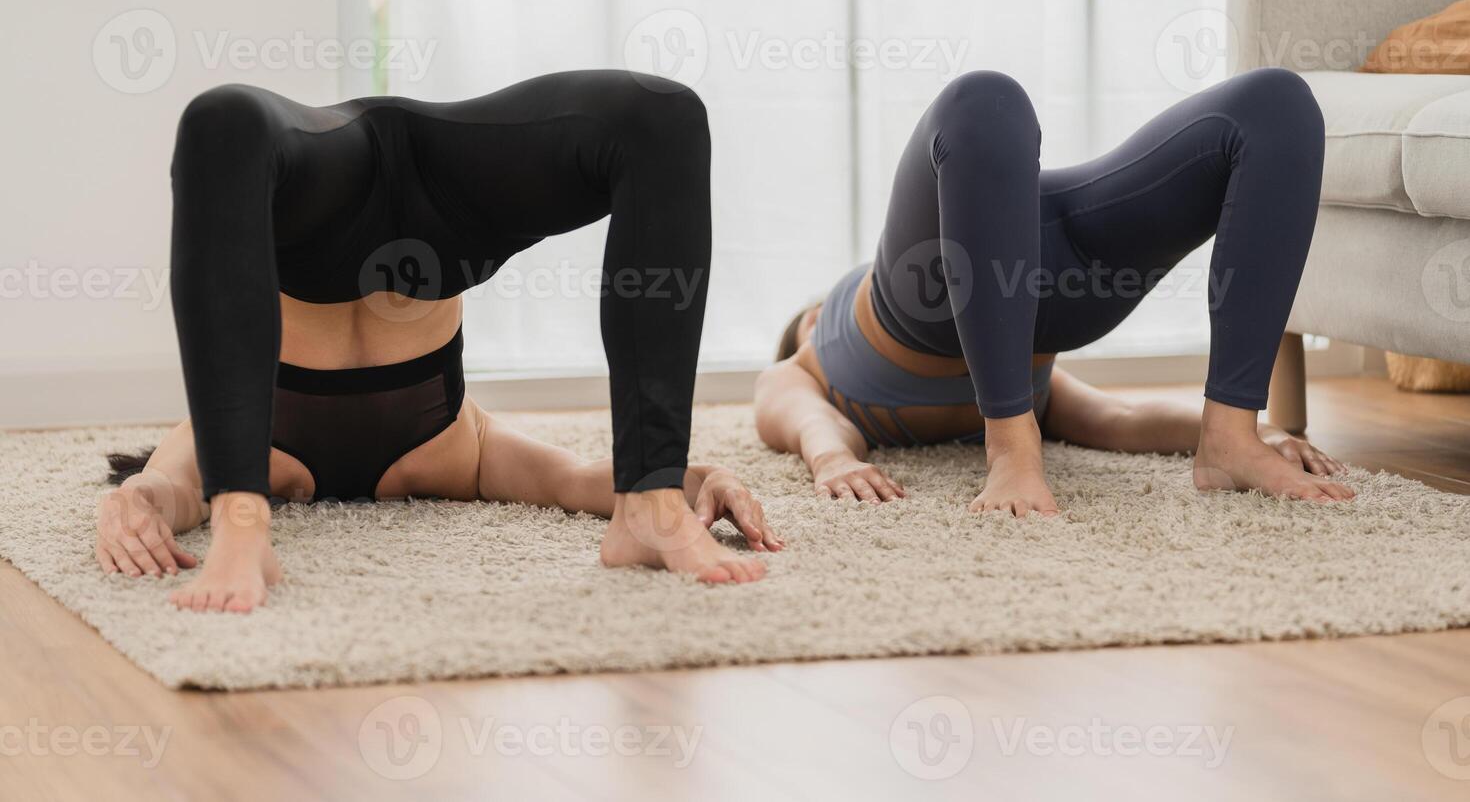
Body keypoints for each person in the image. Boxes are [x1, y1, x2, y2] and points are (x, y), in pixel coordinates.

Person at [97, 71, 779, 614]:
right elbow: (571, 479)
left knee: (224, 121)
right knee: (663, 111)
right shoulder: (463, 451)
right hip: (447, 220)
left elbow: (158, 492)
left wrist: (134, 503)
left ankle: (240, 522)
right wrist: (688, 479)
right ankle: (649, 503)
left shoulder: (223, 439)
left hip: (324, 202)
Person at [755, 68, 1354, 514]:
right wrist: (834, 460)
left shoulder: (838, 337)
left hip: (950, 264)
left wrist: (1268, 434)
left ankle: (1232, 436)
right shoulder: (800, 372)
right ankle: (1013, 448)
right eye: (810, 312)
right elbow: (1120, 419)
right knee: (986, 101)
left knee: (1277, 103)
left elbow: (1122, 413)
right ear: (808, 329)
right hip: (1067, 291)